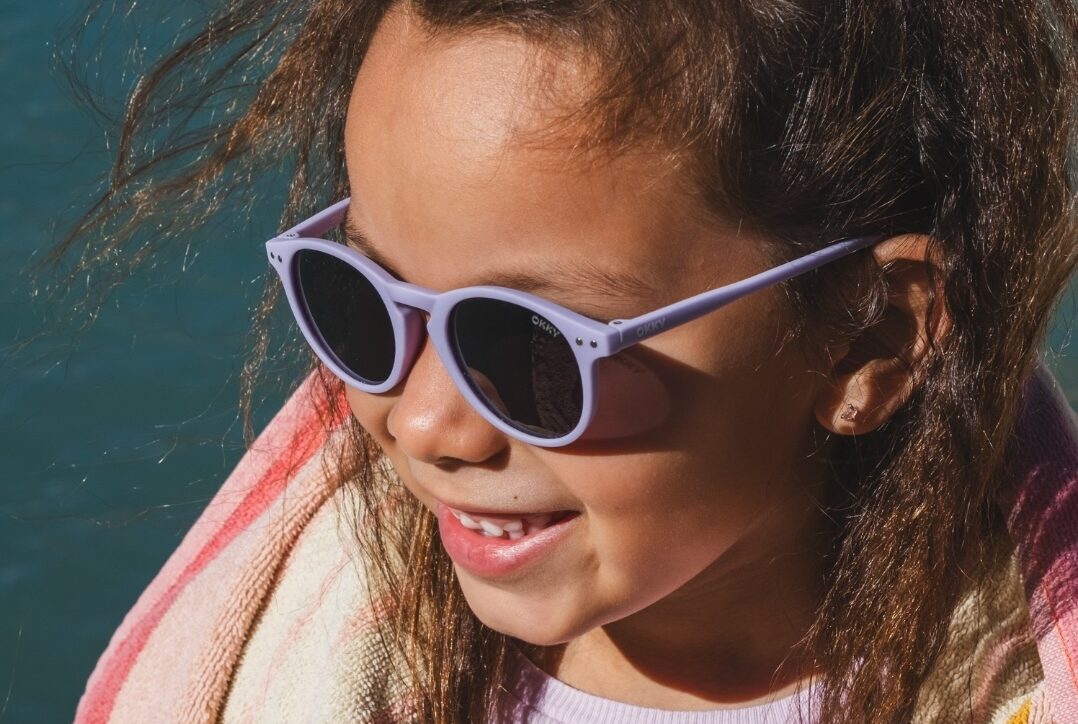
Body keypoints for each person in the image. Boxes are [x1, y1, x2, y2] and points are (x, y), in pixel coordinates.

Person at [60, 1, 1076, 722]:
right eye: (358, 302)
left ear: (868, 341)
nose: (421, 423)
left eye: (525, 345)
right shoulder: (303, 663)